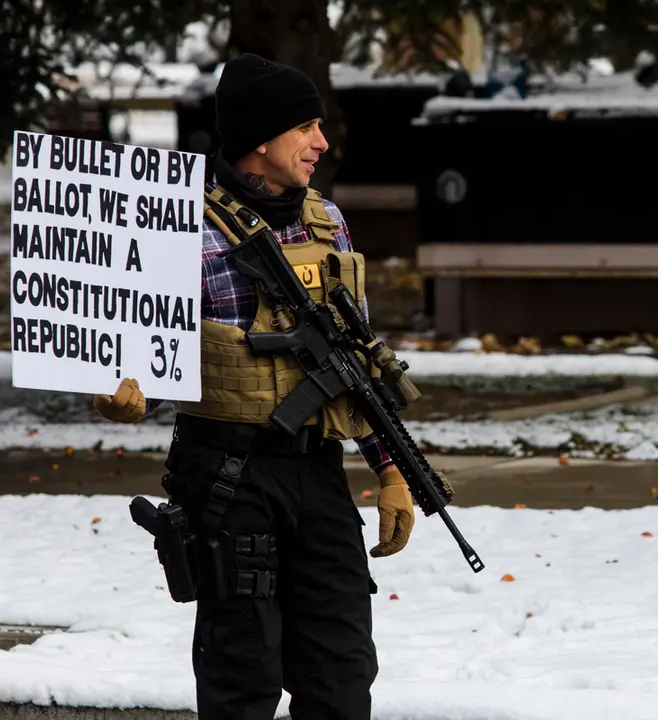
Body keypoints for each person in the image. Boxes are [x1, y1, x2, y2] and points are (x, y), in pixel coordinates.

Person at [91, 53, 416, 720]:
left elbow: (358, 363)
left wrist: (391, 470)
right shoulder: (181, 226)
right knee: (243, 678)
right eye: (306, 128)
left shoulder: (327, 221)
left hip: (317, 472)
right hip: (226, 476)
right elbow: (151, 352)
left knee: (342, 675)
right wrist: (124, 391)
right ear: (260, 141)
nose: (321, 143)